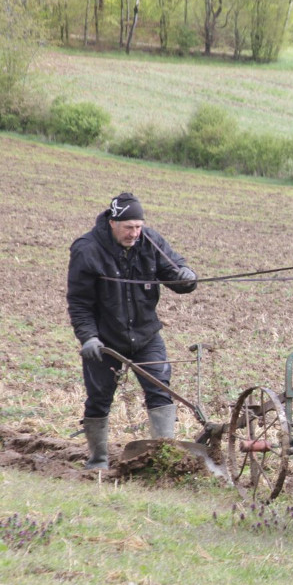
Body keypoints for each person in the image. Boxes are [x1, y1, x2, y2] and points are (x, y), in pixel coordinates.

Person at [67, 192, 198, 470]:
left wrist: (186, 277)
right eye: (129, 227)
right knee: (99, 397)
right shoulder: (87, 250)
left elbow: (174, 271)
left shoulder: (150, 241)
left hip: (146, 336)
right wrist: (88, 337)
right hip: (104, 339)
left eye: (138, 227)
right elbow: (79, 302)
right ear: (113, 222)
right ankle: (98, 459)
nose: (135, 233)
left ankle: (165, 460)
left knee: (160, 391)